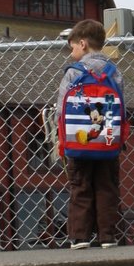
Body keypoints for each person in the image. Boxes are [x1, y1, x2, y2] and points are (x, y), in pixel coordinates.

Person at [53, 19, 125, 249]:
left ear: (82, 44)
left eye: (73, 47)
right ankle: (107, 236)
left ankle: (80, 236)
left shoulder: (73, 73)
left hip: (78, 143)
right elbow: (122, 108)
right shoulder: (114, 72)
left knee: (80, 187)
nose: (72, 52)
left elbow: (61, 111)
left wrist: (60, 139)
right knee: (107, 187)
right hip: (108, 141)